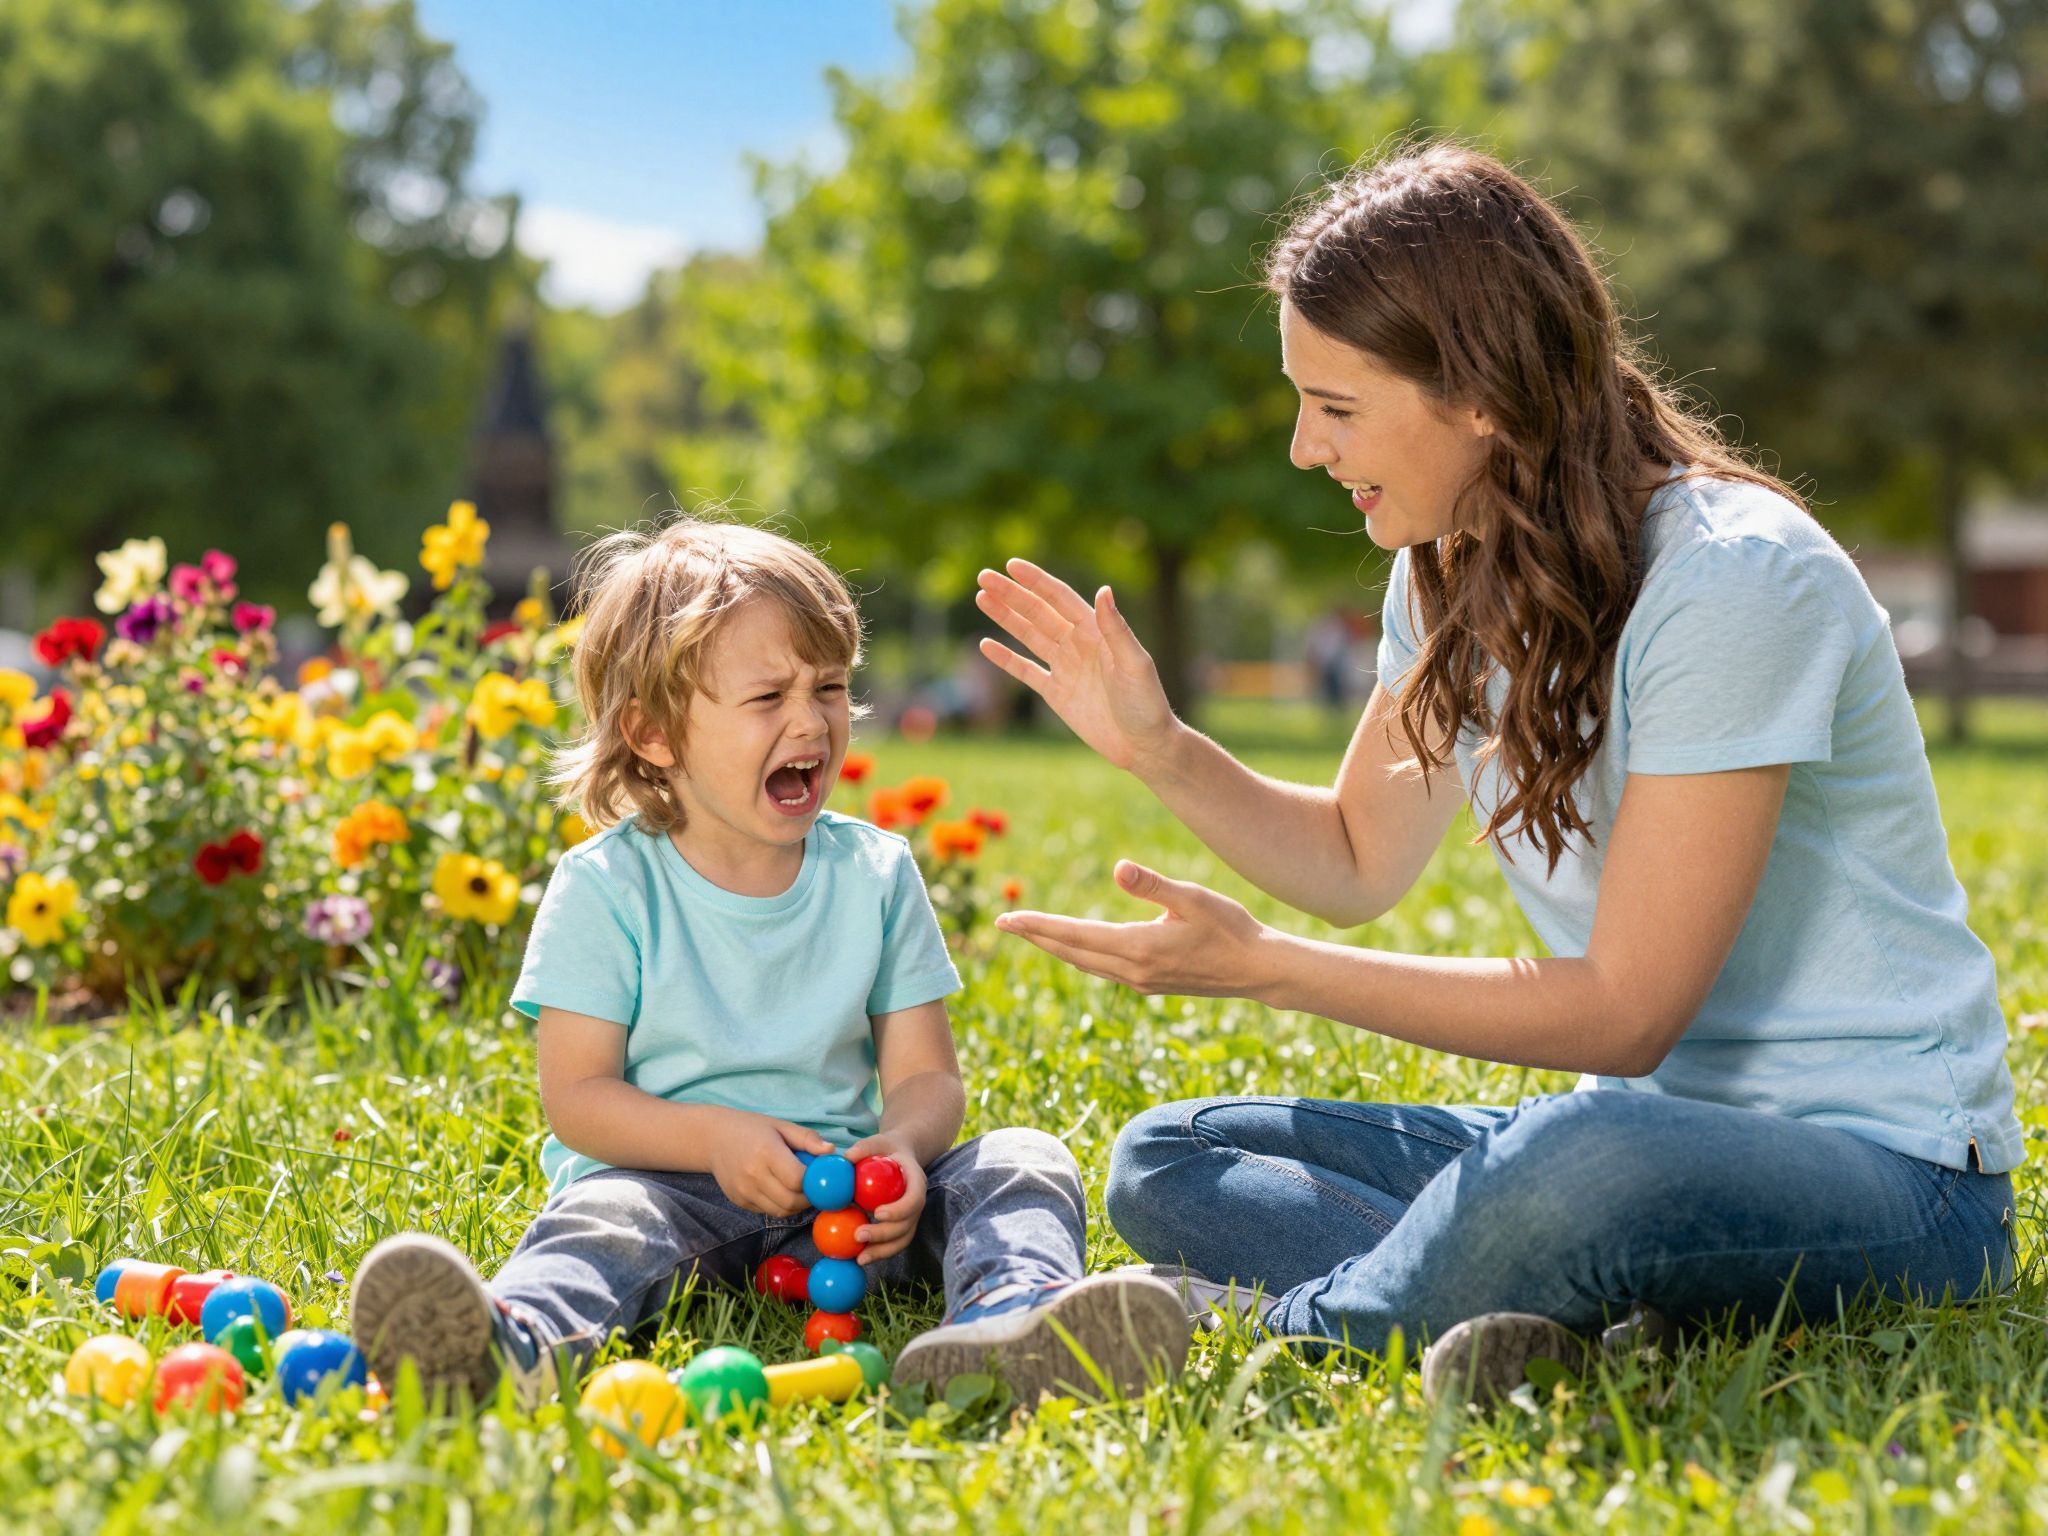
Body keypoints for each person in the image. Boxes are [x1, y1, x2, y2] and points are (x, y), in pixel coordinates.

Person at [972, 142, 2020, 1406]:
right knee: (1168, 1156)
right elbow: (1356, 862)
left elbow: (1627, 1013)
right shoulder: (1447, 570)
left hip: (1887, 1177)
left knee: (1586, 1158)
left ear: (1477, 394)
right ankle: (1533, 1315)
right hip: (1621, 1145)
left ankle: (1253, 1332)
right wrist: (1157, 744)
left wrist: (1270, 972)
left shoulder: (1733, 580)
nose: (1304, 448)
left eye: (1337, 406)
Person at [350, 518, 1189, 1407]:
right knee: (603, 1220)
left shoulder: (873, 873)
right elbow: (579, 1099)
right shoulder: (607, 886)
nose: (811, 720)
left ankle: (1015, 1321)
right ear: (654, 733)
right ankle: (508, 1344)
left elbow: (927, 1077)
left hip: (854, 1214)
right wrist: (715, 1140)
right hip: (675, 1195)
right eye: (767, 698)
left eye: (829, 687)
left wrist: (902, 1149)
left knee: (1022, 1159)